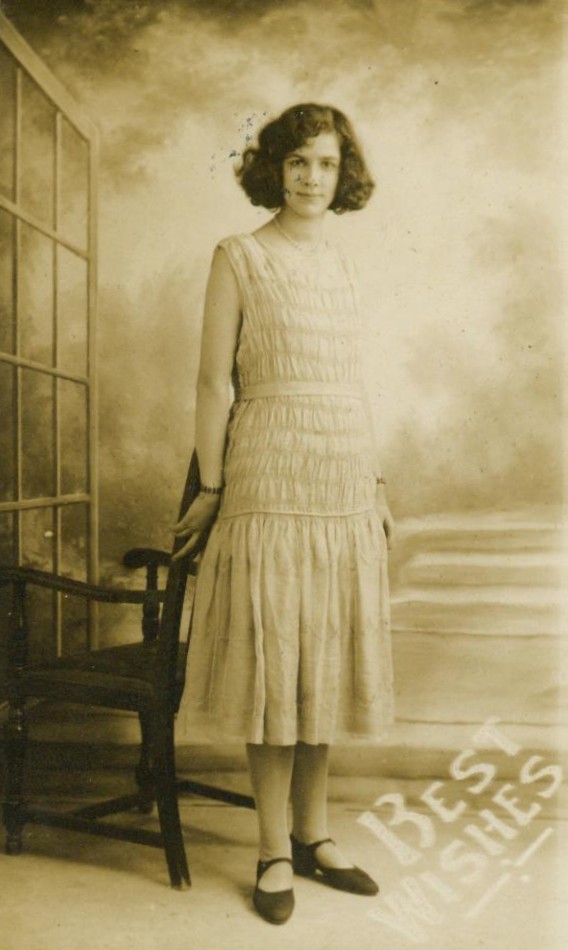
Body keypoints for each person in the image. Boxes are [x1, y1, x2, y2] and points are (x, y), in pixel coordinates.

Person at [173, 102, 395, 925]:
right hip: (267, 471)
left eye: (327, 163)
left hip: (342, 478)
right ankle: (272, 849)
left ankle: (314, 834)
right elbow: (212, 384)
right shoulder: (238, 256)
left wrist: (375, 483)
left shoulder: (345, 265)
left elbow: (352, 383)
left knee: (321, 656)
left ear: (344, 175)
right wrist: (211, 488)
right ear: (275, 169)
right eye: (298, 161)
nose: (311, 177)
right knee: (276, 659)